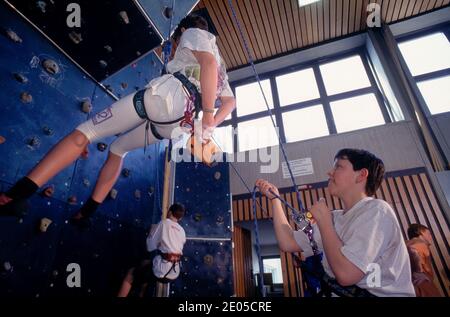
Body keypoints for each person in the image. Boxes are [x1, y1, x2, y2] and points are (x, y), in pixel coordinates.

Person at [0, 14, 236, 224]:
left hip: (165, 99)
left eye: (174, 44)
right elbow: (230, 102)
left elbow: (209, 64)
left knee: (85, 133)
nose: (175, 49)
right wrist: (210, 124)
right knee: (117, 148)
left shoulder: (193, 33)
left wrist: (207, 114)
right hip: (178, 125)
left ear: (182, 32)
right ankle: (88, 212)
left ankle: (16, 196)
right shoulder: (222, 67)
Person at [256, 148, 415, 297]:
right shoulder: (335, 217)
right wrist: (275, 200)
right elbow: (288, 242)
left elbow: (346, 275)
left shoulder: (377, 210)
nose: (330, 172)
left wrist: (324, 221)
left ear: (361, 175)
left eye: (339, 166)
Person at [117, 203, 186, 297]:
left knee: (131, 274)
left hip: (162, 270)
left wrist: (152, 231)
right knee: (145, 266)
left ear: (169, 212)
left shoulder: (164, 223)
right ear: (180, 218)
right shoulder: (182, 231)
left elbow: (149, 247)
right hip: (174, 273)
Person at [406, 224, 442, 297]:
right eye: (428, 234)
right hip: (422, 283)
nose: (430, 237)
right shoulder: (420, 244)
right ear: (421, 232)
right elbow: (426, 269)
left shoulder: (405, 244)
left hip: (409, 286)